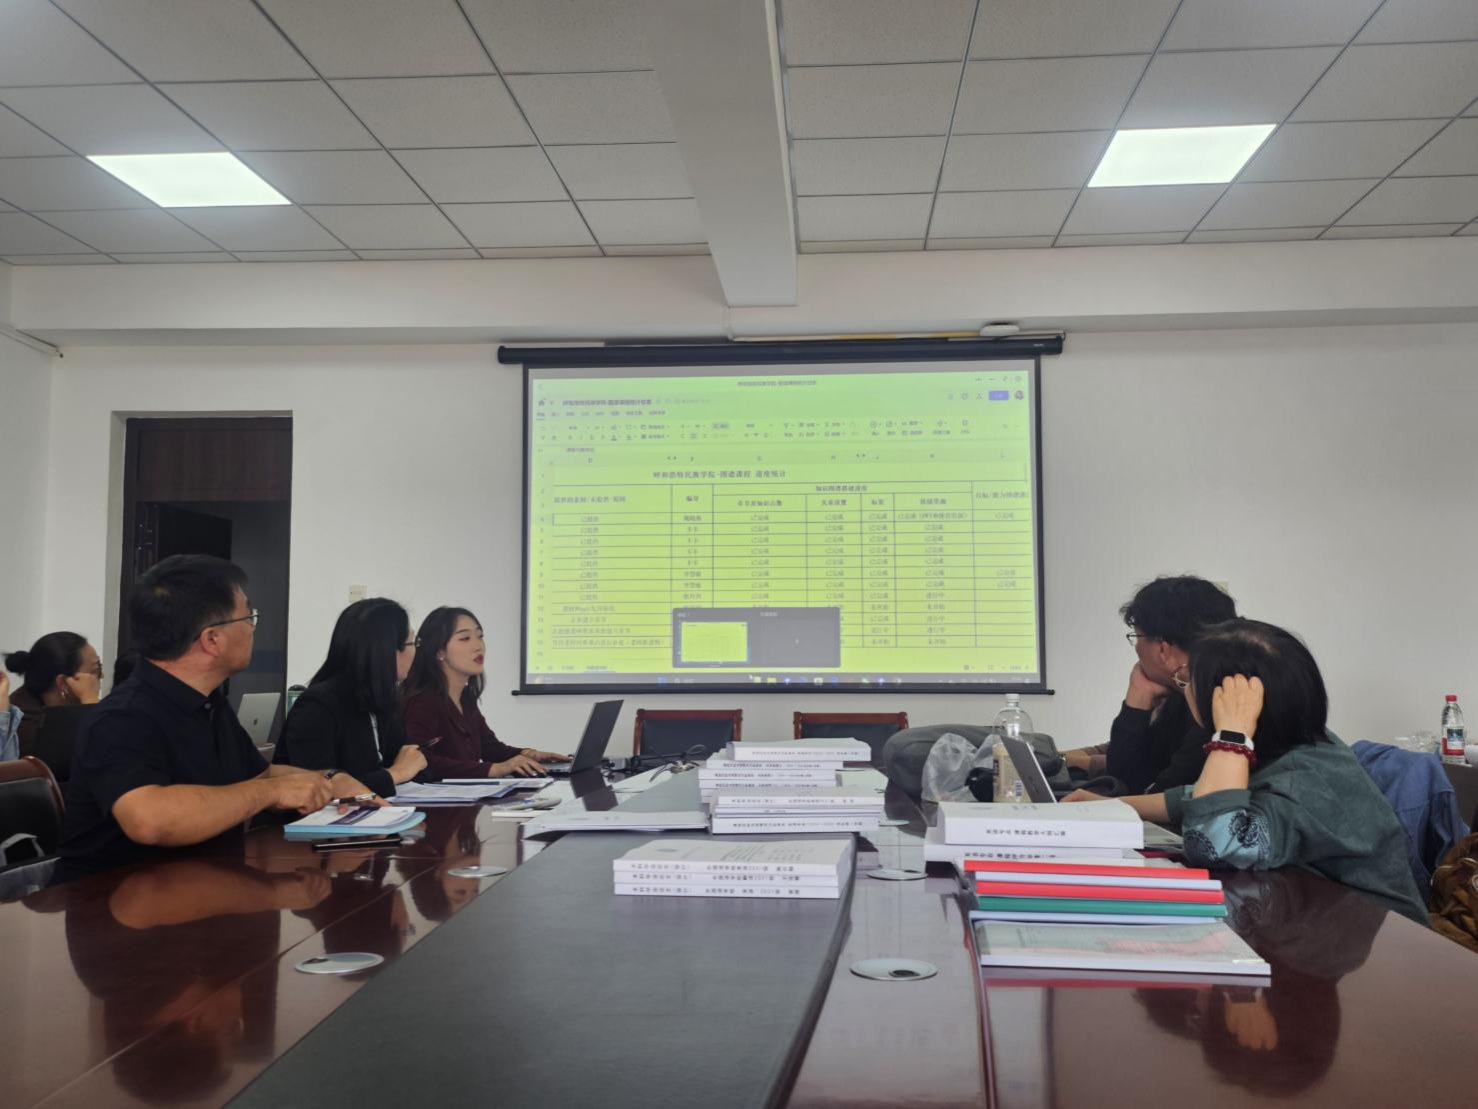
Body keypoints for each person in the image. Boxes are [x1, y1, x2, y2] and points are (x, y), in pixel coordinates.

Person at [1069, 619, 1428, 925]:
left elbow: (1215, 843)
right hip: (1320, 921)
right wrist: (1106, 807)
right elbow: (1201, 798)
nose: (1185, 692)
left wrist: (1231, 734)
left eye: (1188, 682)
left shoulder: (1305, 776)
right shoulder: (1294, 744)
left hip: (1385, 940)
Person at [55, 554, 380, 881]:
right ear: (212, 639)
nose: (252, 629)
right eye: (248, 617)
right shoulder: (122, 717)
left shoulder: (210, 703)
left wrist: (330, 780)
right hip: (111, 901)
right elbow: (149, 819)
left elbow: (260, 774)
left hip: (202, 886)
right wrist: (273, 792)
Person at [1062, 576, 1236, 794]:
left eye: (1137, 637)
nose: (1136, 648)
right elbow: (1128, 777)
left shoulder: (1215, 707)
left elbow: (1160, 793)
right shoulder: (1180, 694)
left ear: (1163, 649)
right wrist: (1137, 703)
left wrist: (1136, 703)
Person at [272, 598, 427, 797]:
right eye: (413, 643)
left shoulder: (381, 701)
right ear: (388, 650)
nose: (415, 652)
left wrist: (408, 767)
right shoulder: (317, 706)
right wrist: (396, 774)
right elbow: (319, 789)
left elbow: (416, 768)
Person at [402, 607, 570, 779]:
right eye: (465, 638)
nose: (478, 646)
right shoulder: (423, 701)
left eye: (480, 636)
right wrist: (494, 769)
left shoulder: (465, 697)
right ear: (440, 652)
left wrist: (531, 755)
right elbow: (421, 761)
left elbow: (490, 748)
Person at [3, 631, 103, 755]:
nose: (102, 676)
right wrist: (90, 701)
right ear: (63, 683)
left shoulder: (38, 704)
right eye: (96, 670)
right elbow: (103, 754)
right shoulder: (30, 729)